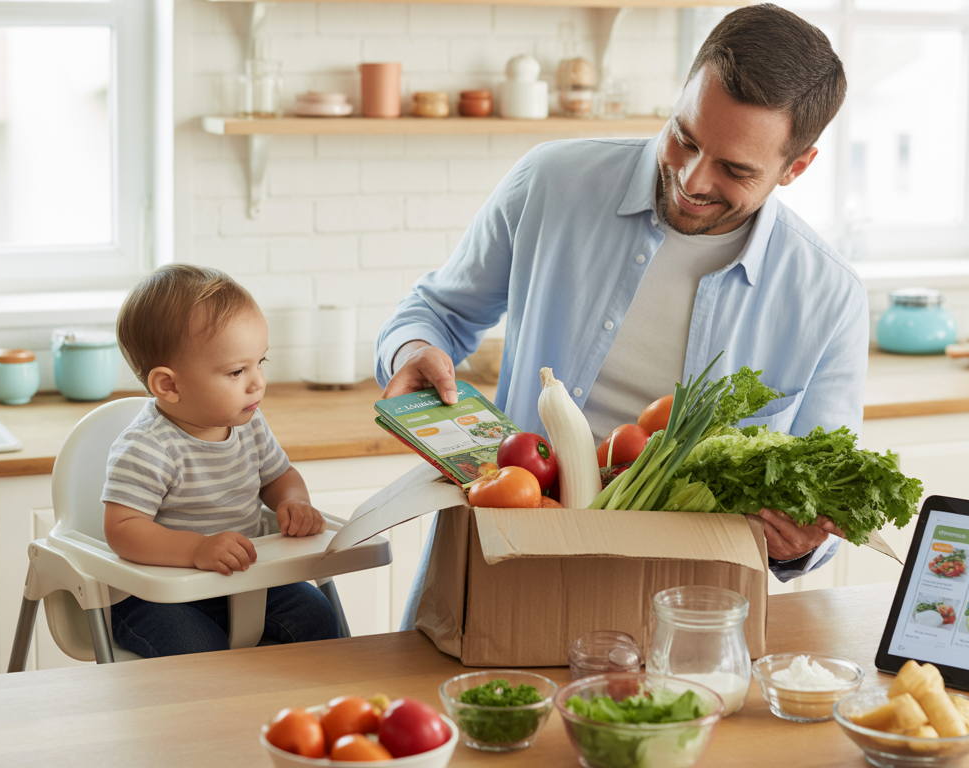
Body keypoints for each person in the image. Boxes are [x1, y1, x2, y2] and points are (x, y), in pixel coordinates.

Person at [376, 4, 862, 599]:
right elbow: (435, 312)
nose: (692, 180)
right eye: (684, 137)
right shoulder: (552, 181)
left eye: (735, 170)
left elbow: (824, 502)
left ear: (796, 167)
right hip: (509, 564)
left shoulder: (828, 296)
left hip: (686, 602)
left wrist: (802, 541)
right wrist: (414, 350)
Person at [100, 264, 340, 657]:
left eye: (260, 362)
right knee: (198, 651)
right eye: (236, 371)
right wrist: (197, 549)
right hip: (158, 595)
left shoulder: (250, 423)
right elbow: (122, 530)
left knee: (317, 616)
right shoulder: (148, 447)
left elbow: (279, 475)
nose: (257, 381)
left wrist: (293, 501)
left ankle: (312, 699)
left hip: (244, 581)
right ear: (169, 385)